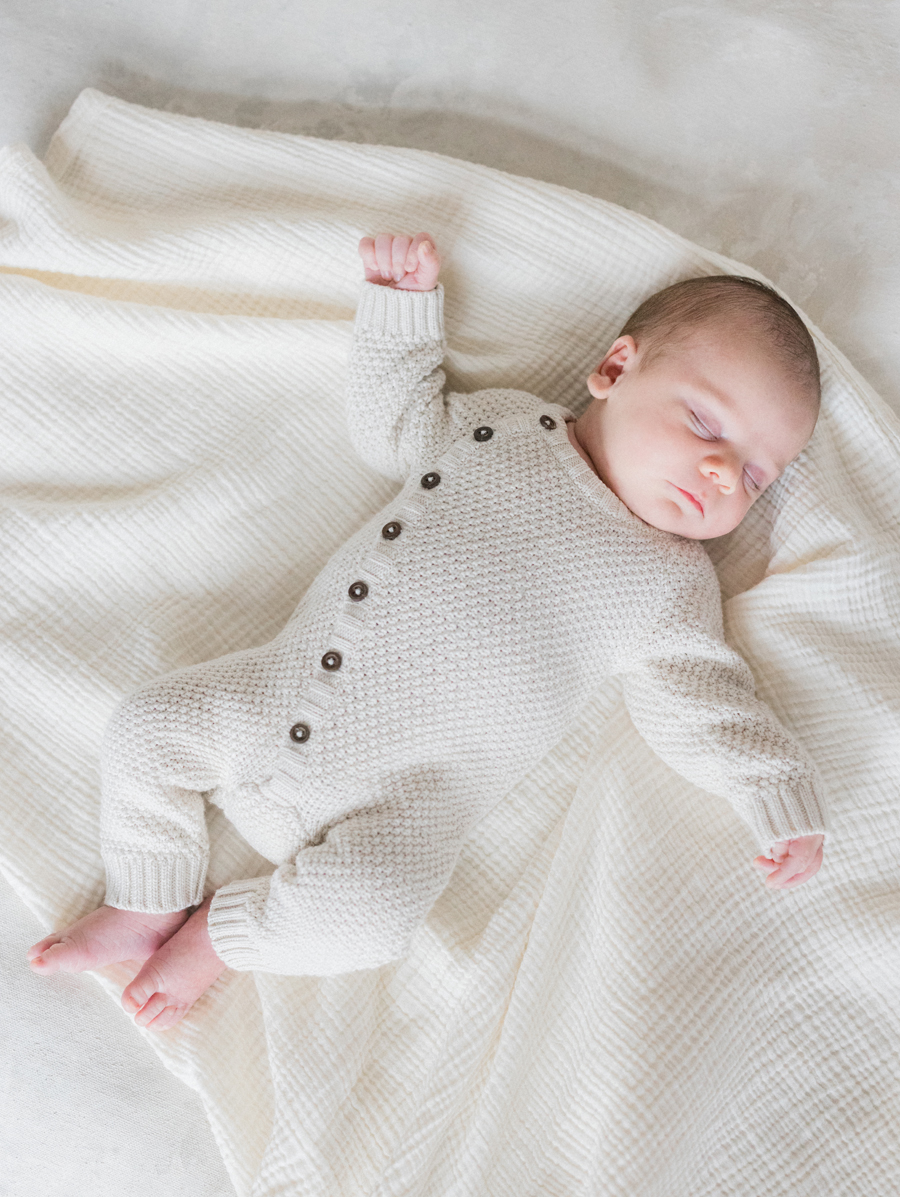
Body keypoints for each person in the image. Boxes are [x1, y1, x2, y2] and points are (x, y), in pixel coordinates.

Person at [27, 233, 826, 1031]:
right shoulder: (505, 425)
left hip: (407, 803)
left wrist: (772, 789)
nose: (724, 474)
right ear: (616, 371)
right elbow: (398, 418)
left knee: (374, 919)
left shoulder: (668, 582)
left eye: (757, 476)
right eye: (703, 423)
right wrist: (400, 311)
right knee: (146, 728)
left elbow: (707, 702)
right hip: (274, 697)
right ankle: (145, 897)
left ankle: (220, 937)